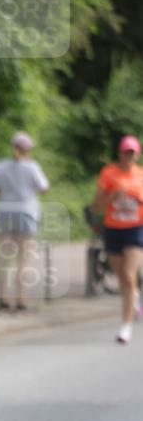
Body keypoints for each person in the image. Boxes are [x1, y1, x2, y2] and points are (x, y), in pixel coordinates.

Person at [0, 131, 49, 311]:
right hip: (26, 213)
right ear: (28, 149)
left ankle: (2, 299)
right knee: (23, 260)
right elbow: (44, 189)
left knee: (3, 259)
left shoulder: (0, 166)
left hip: (4, 213)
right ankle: (20, 300)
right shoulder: (32, 167)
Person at [92, 135, 143, 344]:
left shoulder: (141, 175)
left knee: (130, 277)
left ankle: (125, 326)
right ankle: (135, 299)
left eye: (132, 153)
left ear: (136, 155)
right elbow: (96, 206)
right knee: (122, 278)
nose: (128, 156)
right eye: (125, 152)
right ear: (119, 153)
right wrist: (112, 197)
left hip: (136, 229)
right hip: (113, 229)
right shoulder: (108, 173)